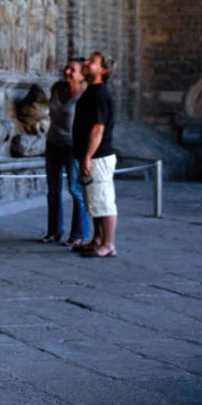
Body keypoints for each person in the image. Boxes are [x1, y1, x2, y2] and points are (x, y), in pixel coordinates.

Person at [41, 57, 91, 246]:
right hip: (53, 144)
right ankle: (54, 231)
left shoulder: (85, 95)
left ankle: (79, 233)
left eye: (72, 70)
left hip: (73, 146)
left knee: (75, 189)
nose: (67, 72)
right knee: (53, 190)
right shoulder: (57, 88)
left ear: (81, 74)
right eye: (66, 68)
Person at [73, 51, 117, 257]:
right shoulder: (92, 91)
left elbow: (98, 128)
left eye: (92, 62)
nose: (86, 63)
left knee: (104, 199)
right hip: (91, 155)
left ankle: (108, 244)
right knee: (94, 200)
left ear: (103, 70)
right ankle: (97, 239)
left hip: (98, 155)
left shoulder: (99, 93)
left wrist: (88, 156)